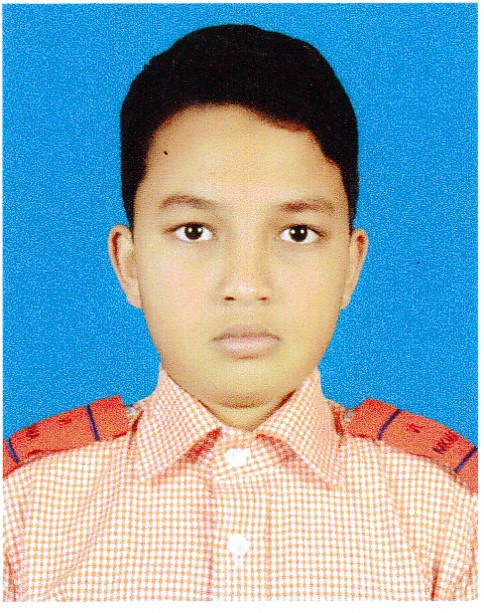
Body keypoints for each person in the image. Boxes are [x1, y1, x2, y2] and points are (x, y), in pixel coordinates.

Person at [3, 24, 477, 601]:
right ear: (130, 264)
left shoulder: (452, 516)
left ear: (350, 266)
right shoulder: (22, 511)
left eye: (297, 232)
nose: (246, 285)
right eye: (194, 230)